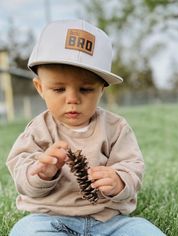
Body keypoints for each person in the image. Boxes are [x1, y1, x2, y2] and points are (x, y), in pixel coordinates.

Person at [6, 19, 165, 236]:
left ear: (102, 89)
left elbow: (132, 166)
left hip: (110, 221)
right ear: (40, 88)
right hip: (50, 219)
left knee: (144, 231)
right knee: (25, 231)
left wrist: (119, 181)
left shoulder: (115, 128)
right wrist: (40, 174)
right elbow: (22, 176)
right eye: (59, 89)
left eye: (86, 89)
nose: (72, 99)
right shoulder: (38, 129)